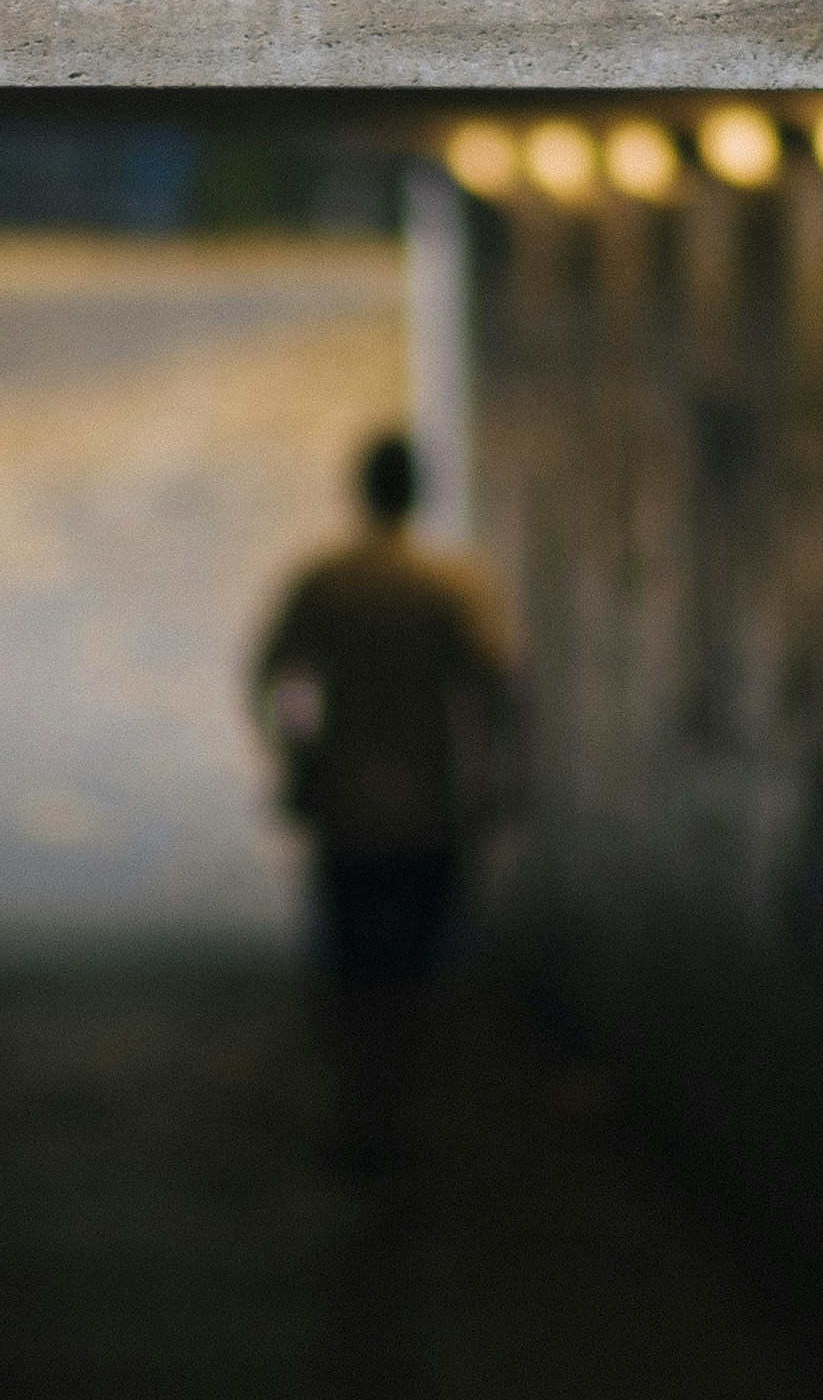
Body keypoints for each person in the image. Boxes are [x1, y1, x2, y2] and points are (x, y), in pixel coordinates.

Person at [248, 431, 518, 1164]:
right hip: (428, 809)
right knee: (415, 971)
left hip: (345, 809)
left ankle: (358, 1111)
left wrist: (298, 758)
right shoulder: (449, 588)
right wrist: (491, 782)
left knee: (352, 967)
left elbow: (272, 679)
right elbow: (496, 694)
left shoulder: (324, 583)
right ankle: (406, 1112)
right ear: (418, 494)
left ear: (359, 491)